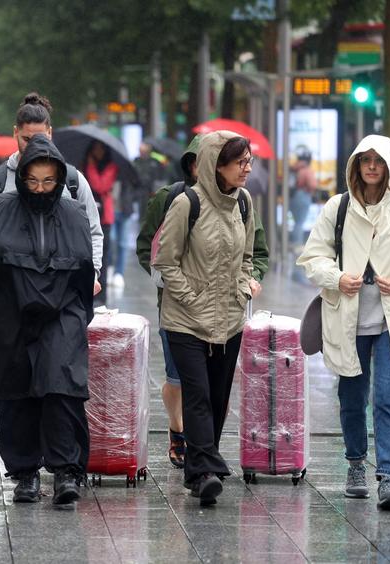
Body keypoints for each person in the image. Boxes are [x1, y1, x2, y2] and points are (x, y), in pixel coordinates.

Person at [297, 134, 390, 510]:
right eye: (366, 160)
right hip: (349, 320)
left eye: (380, 160)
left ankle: (388, 476)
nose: (373, 167)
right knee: (351, 398)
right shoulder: (338, 208)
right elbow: (313, 257)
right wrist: (336, 277)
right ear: (356, 165)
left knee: (388, 397)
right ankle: (356, 466)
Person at [0, 134, 95, 506]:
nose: (41, 188)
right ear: (22, 177)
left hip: (61, 312)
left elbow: (84, 268)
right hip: (10, 312)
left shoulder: (73, 214)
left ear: (59, 179)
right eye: (33, 180)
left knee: (62, 387)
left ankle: (66, 470)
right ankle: (25, 472)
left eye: (48, 181)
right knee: (16, 392)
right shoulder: (0, 208)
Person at [137, 134, 269, 469]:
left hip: (229, 318)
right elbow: (163, 260)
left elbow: (249, 254)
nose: (247, 168)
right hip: (186, 319)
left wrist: (243, 287)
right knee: (195, 393)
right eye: (240, 162)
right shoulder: (185, 203)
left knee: (218, 396)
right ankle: (204, 467)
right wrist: (190, 297)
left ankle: (201, 466)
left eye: (249, 161)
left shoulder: (244, 202)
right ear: (216, 165)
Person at [0, 93, 103, 296]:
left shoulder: (73, 182)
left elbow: (92, 231)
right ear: (15, 132)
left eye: (39, 138)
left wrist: (92, 273)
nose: (33, 146)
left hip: (63, 293)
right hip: (9, 296)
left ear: (50, 133)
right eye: (26, 139)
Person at [84, 140, 118, 305]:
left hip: (104, 217)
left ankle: (101, 295)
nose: (98, 152)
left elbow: (100, 186)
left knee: (102, 256)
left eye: (101, 149)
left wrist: (90, 167)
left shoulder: (111, 167)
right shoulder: (82, 166)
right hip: (86, 215)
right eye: (95, 148)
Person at [289, 146, 318, 250]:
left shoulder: (294, 169)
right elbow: (312, 185)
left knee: (296, 221)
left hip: (293, 196)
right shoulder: (306, 170)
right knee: (300, 222)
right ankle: (297, 244)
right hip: (303, 195)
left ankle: (293, 242)